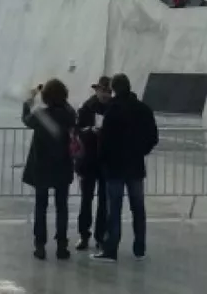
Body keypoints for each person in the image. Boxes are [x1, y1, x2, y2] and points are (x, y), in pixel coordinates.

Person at [94, 73, 158, 263]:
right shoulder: (143, 109)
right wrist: (141, 151)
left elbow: (104, 142)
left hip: (114, 167)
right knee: (138, 207)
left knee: (114, 208)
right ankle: (140, 249)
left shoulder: (112, 110)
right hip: (135, 165)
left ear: (114, 89)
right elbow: (153, 137)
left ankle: (111, 249)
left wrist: (102, 161)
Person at [22, 79, 77, 260]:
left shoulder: (40, 116)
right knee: (62, 207)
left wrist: (30, 99)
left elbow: (26, 119)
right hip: (63, 166)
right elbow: (69, 112)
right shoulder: (69, 114)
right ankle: (62, 246)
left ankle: (40, 246)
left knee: (41, 207)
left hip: (42, 168)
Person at [75, 77, 113, 251]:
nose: (105, 94)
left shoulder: (114, 108)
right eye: (103, 90)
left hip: (106, 160)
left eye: (108, 91)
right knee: (86, 200)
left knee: (104, 202)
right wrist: (89, 131)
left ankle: (100, 236)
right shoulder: (86, 108)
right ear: (97, 90)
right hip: (88, 160)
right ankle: (84, 234)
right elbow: (77, 130)